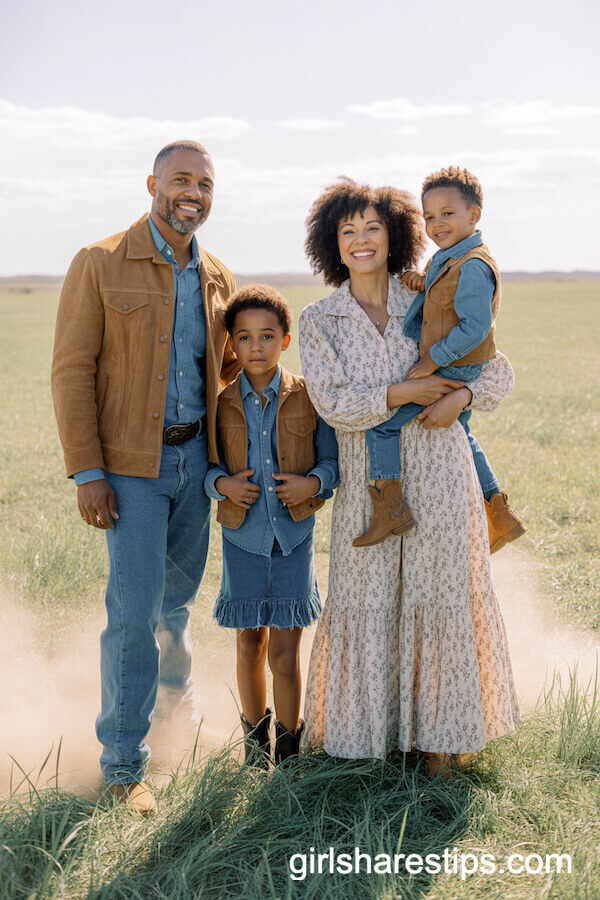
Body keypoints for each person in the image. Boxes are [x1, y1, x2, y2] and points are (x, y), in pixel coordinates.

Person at [299, 178, 520, 776]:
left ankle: (441, 744)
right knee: (367, 600)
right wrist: (404, 392)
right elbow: (333, 404)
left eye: (373, 227)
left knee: (439, 598)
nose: (361, 239)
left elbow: (497, 371)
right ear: (332, 243)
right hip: (370, 486)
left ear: (395, 234)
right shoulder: (321, 320)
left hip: (443, 476)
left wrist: (461, 396)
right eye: (348, 230)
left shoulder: (428, 295)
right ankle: (367, 742)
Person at [51, 140, 240, 815]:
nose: (194, 192)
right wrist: (88, 471)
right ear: (152, 184)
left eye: (205, 183)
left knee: (176, 607)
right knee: (134, 613)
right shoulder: (99, 262)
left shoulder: (217, 277)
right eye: (181, 179)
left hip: (196, 466)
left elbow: (228, 373)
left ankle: (175, 725)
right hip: (130, 469)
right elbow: (71, 370)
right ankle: (123, 765)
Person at [354, 166, 526, 551]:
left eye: (447, 213)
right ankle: (498, 511)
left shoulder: (474, 265)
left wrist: (432, 361)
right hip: (455, 365)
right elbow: (443, 292)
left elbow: (474, 327)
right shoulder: (448, 257)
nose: (437, 224)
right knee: (463, 435)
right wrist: (421, 280)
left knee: (382, 426)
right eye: (429, 217)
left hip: (453, 366)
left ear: (474, 214)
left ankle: (389, 509)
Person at [204, 285, 339, 767]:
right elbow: (206, 468)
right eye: (243, 337)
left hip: (293, 540)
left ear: (285, 340)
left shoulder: (308, 397)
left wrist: (312, 484)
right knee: (249, 645)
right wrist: (222, 485)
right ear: (231, 344)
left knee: (284, 654)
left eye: (266, 336)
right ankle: (255, 749)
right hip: (242, 539)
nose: (255, 346)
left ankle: (289, 752)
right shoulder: (220, 404)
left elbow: (333, 463)